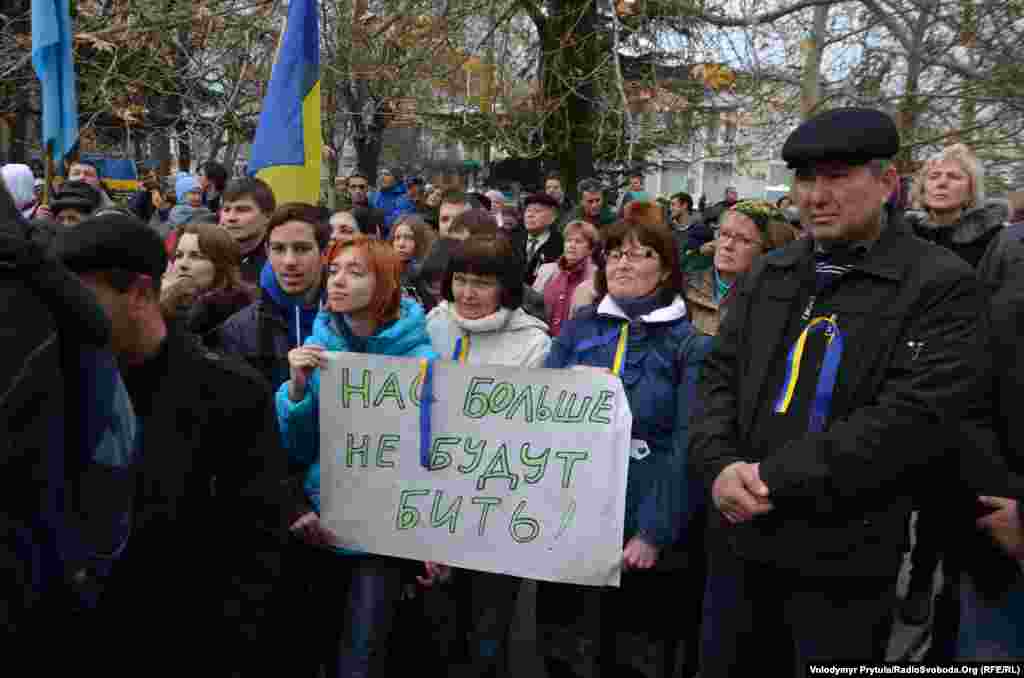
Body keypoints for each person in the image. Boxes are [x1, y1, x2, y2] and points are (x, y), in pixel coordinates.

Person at [690, 107, 990, 675]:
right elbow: (717, 377)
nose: (816, 196)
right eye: (806, 179)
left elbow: (913, 418)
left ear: (887, 183)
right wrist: (719, 464)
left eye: (837, 178)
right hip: (738, 545)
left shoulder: (940, 285)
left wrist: (773, 478)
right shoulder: (772, 273)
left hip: (843, 559)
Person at [54, 212, 314, 676]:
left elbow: (257, 543)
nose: (67, 317)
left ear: (138, 293)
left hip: (190, 645)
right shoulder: (55, 384)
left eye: (82, 299)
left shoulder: (229, 392)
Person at [541, 214, 710, 678]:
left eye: (640, 253)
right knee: (562, 642)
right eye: (615, 253)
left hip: (643, 517)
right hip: (570, 513)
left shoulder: (689, 346)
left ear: (668, 269)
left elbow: (687, 444)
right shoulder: (579, 328)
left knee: (634, 653)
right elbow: (539, 412)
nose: (623, 263)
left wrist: (655, 531)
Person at [277, 235, 436, 677]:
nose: (338, 281)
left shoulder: (422, 361)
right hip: (320, 522)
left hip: (382, 535)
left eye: (355, 272)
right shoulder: (316, 346)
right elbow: (294, 448)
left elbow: (431, 456)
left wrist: (430, 537)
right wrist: (296, 391)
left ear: (384, 284)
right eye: (334, 271)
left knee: (361, 656)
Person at [0, 185, 138, 656]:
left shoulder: (47, 298)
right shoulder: (49, 283)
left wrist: (90, 555)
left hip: (39, 541)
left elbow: (109, 442)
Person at [421, 234, 551, 676]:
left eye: (482, 282)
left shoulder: (533, 343)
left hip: (497, 509)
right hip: (434, 501)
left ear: (507, 288)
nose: (468, 293)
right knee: (437, 632)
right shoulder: (431, 326)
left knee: (486, 634)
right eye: (460, 280)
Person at [220, 203, 328, 391]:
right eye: (278, 249)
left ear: (323, 253)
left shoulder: (353, 317)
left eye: (302, 249)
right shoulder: (239, 330)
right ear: (267, 252)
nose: (289, 261)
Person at [684, 200, 796, 336]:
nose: (728, 245)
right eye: (724, 234)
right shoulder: (685, 286)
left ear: (768, 250)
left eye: (744, 240)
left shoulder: (780, 302)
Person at [162, 221, 258, 347]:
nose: (182, 264)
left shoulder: (238, 317)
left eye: (196, 256)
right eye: (179, 256)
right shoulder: (172, 303)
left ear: (221, 264)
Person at [532, 219, 600, 336]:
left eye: (578, 242)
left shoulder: (597, 276)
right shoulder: (546, 270)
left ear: (590, 249)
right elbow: (532, 308)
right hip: (541, 340)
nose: (572, 245)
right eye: (568, 241)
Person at [220, 177, 276, 285]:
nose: (231, 218)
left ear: (268, 216)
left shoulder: (278, 265)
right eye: (226, 209)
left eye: (242, 210)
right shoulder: (210, 255)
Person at [389, 213, 436, 300]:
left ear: (420, 241)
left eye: (408, 237)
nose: (401, 244)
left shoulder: (426, 272)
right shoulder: (387, 271)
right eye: (397, 238)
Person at [522, 192, 563, 286]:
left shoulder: (561, 246)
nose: (530, 215)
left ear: (552, 217)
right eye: (528, 210)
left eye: (537, 211)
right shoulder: (513, 240)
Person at [369, 168, 414, 233]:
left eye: (387, 174)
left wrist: (379, 220)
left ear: (395, 180)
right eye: (380, 174)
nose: (382, 177)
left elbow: (400, 218)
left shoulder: (403, 197)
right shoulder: (373, 195)